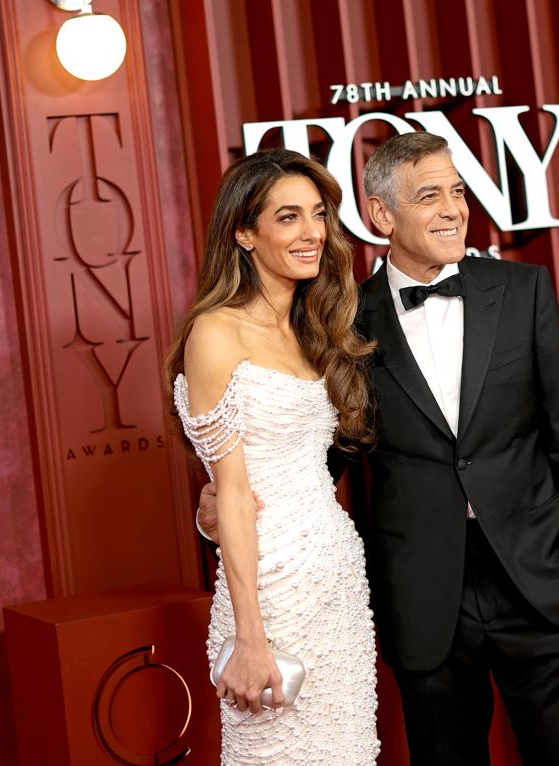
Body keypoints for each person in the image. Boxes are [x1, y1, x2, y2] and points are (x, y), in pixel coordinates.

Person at [199, 132, 559, 765]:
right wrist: (221, 504)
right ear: (382, 216)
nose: (452, 209)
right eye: (429, 196)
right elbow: (320, 454)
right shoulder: (341, 321)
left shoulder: (524, 290)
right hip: (423, 597)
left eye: (457, 192)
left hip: (541, 583)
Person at [167, 148, 380, 765]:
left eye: (317, 214)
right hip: (270, 587)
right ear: (243, 232)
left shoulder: (314, 328)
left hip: (336, 578)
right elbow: (231, 490)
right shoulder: (216, 331)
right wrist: (249, 636)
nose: (312, 231)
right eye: (287, 217)